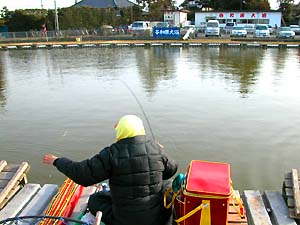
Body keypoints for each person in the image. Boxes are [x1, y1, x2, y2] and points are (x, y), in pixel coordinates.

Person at [43, 114, 178, 225]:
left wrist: (57, 161)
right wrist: (160, 151)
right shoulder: (156, 148)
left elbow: (82, 175)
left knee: (95, 199)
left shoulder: (111, 153)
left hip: (125, 221)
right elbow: (171, 170)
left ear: (121, 132)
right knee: (167, 184)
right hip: (158, 219)